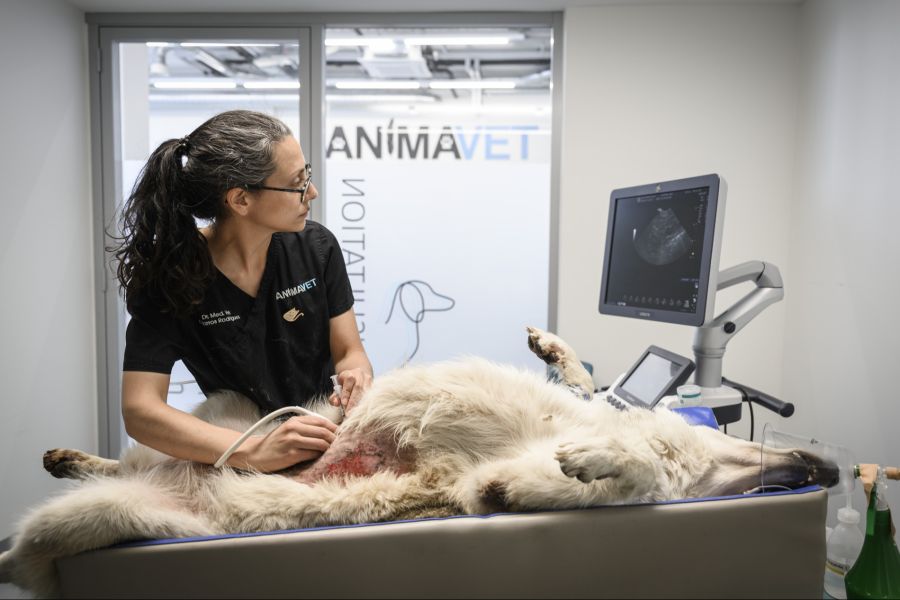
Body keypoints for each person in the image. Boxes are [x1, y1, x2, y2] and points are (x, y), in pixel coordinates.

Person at [113, 110, 372, 473]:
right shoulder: (169, 281)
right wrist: (251, 450)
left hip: (327, 435)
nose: (311, 192)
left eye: (307, 174)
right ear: (240, 201)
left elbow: (349, 350)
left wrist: (356, 374)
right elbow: (140, 410)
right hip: (239, 451)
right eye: (297, 183)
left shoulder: (317, 248)